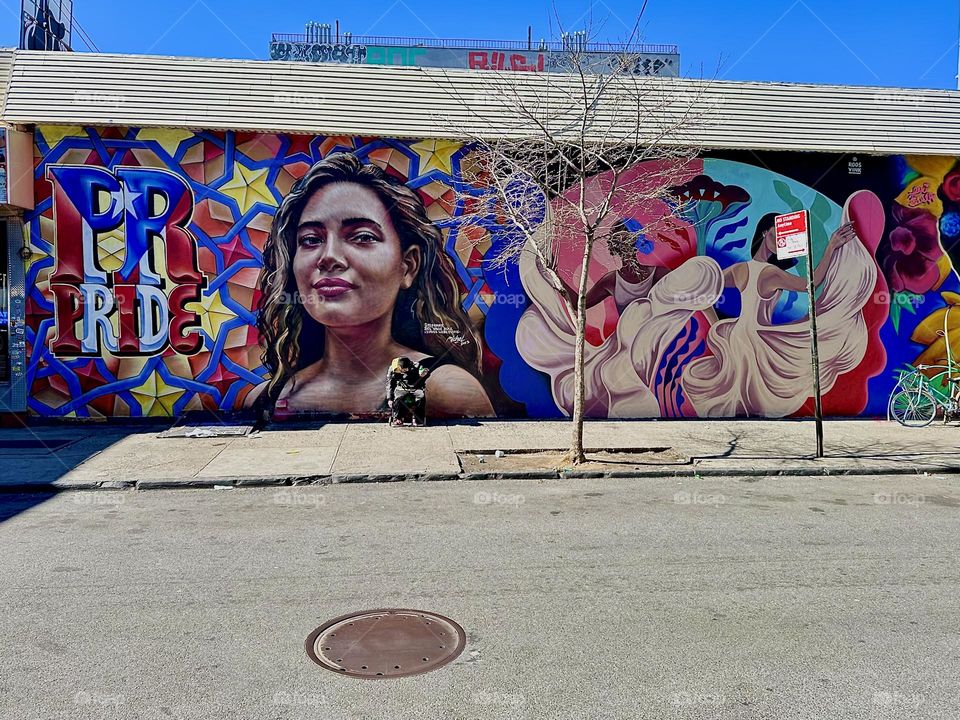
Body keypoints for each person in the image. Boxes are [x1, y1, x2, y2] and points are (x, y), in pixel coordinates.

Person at [247, 152, 494, 420]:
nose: (328, 256)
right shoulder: (271, 396)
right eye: (310, 240)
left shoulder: (441, 388)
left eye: (362, 237)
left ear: (408, 266)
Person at [682, 193, 879, 418]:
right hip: (757, 342)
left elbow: (703, 290)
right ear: (765, 232)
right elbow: (810, 284)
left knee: (740, 401)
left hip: (737, 337)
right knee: (757, 399)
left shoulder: (740, 269)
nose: (779, 241)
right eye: (777, 234)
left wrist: (718, 326)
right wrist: (831, 247)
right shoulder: (770, 273)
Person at [387, 356, 430, 426]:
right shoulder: (392, 369)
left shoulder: (417, 366)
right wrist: (389, 398)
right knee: (398, 400)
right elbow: (389, 384)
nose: (401, 371)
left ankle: (417, 419)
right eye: (399, 370)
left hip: (416, 388)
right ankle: (398, 418)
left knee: (420, 398)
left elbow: (426, 372)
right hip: (401, 388)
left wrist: (424, 374)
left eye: (402, 370)